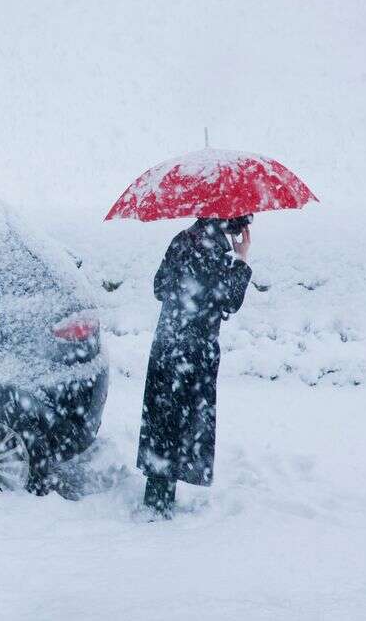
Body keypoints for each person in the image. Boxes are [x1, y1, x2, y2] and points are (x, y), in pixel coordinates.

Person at [137, 214, 253, 519]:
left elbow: (159, 288)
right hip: (195, 350)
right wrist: (241, 259)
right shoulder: (214, 250)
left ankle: (157, 495)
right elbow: (229, 301)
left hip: (167, 344)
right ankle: (160, 505)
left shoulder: (182, 239)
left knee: (163, 419)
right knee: (184, 422)